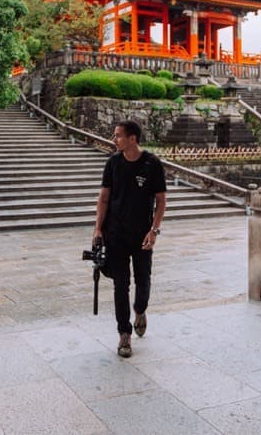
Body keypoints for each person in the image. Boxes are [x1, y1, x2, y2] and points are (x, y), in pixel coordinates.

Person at [93, 119, 167, 358]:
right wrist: (97, 229)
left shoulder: (152, 164)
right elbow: (103, 198)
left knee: (143, 279)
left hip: (143, 234)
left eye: (118, 136)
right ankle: (124, 334)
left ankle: (140, 310)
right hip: (116, 234)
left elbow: (161, 201)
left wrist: (154, 231)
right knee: (120, 284)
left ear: (132, 138)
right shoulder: (113, 163)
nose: (114, 140)